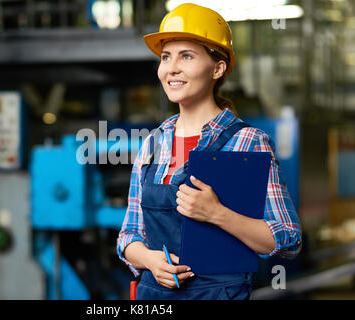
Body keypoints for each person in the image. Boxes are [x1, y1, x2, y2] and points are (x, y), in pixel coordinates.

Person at [116, 3, 302, 300]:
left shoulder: (248, 142)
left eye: (186, 56)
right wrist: (151, 261)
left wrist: (217, 214)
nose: (171, 68)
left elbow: (288, 240)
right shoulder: (153, 143)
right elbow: (128, 235)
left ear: (218, 68)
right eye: (166, 57)